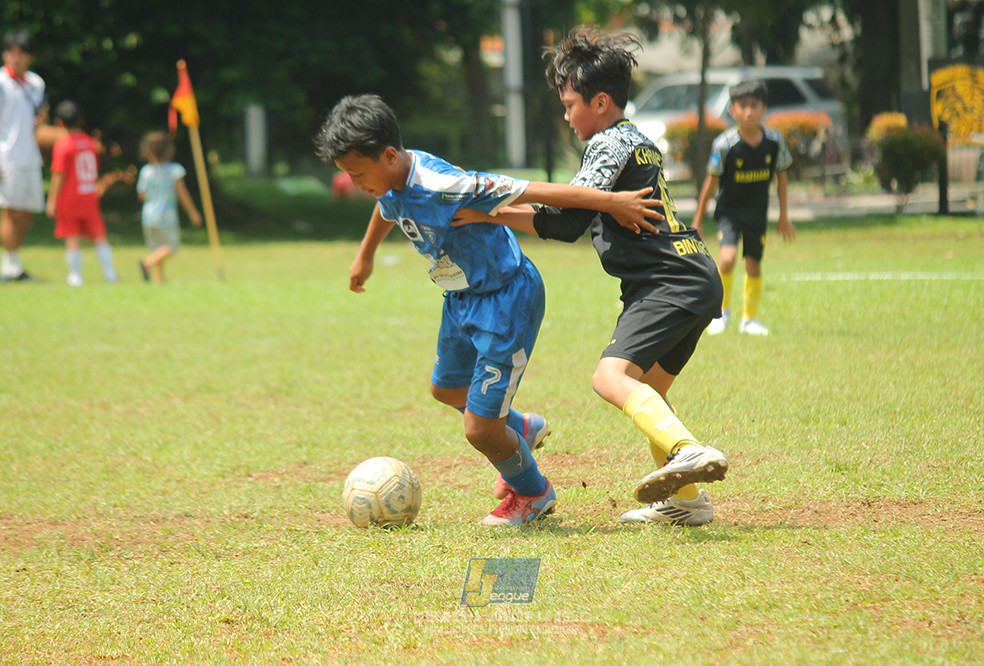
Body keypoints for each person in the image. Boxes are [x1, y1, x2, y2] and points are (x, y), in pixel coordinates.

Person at [315, 93, 663, 526]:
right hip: (461, 297)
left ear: (388, 155)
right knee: (447, 389)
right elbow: (386, 209)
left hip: (506, 299)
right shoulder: (390, 179)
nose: (354, 183)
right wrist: (365, 256)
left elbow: (532, 189)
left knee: (480, 430)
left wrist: (611, 202)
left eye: (356, 174)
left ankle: (534, 494)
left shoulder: (443, 184)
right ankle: (524, 428)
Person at [453, 28, 728, 526]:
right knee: (652, 395)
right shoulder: (637, 140)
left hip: (668, 280)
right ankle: (688, 502)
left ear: (600, 102)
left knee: (611, 377)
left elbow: (569, 222)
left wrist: (492, 210)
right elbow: (571, 218)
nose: (566, 115)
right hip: (693, 272)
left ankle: (687, 450)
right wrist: (496, 214)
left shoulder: (607, 143)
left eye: (570, 104)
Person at [692, 79, 796, 336]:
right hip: (729, 213)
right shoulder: (725, 144)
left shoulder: (774, 142)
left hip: (757, 214)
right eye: (743, 106)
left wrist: (784, 215)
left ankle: (749, 320)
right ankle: (721, 314)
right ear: (733, 110)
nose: (749, 111)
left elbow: (782, 177)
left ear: (764, 108)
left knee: (753, 265)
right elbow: (711, 182)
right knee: (726, 260)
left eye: (754, 105)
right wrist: (698, 218)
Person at [45, 100, 129, 286]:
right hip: (90, 195)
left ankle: (76, 276)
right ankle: (110, 273)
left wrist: (51, 201)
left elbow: (58, 175)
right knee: (99, 235)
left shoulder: (63, 145)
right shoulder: (91, 143)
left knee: (72, 237)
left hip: (69, 198)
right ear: (81, 120)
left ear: (59, 122)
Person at [0, 30, 45, 282]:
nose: (16, 58)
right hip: (7, 156)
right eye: (12, 53)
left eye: (22, 53)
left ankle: (14, 262)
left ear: (30, 57)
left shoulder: (36, 84)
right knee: (11, 211)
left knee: (27, 210)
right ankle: (9, 264)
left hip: (30, 155)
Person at [136, 131, 202, 283]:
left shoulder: (146, 171)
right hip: (167, 216)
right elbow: (183, 194)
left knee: (158, 248)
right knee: (172, 246)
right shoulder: (175, 170)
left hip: (148, 215)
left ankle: (160, 279)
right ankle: (147, 262)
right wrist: (193, 213)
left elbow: (142, 195)